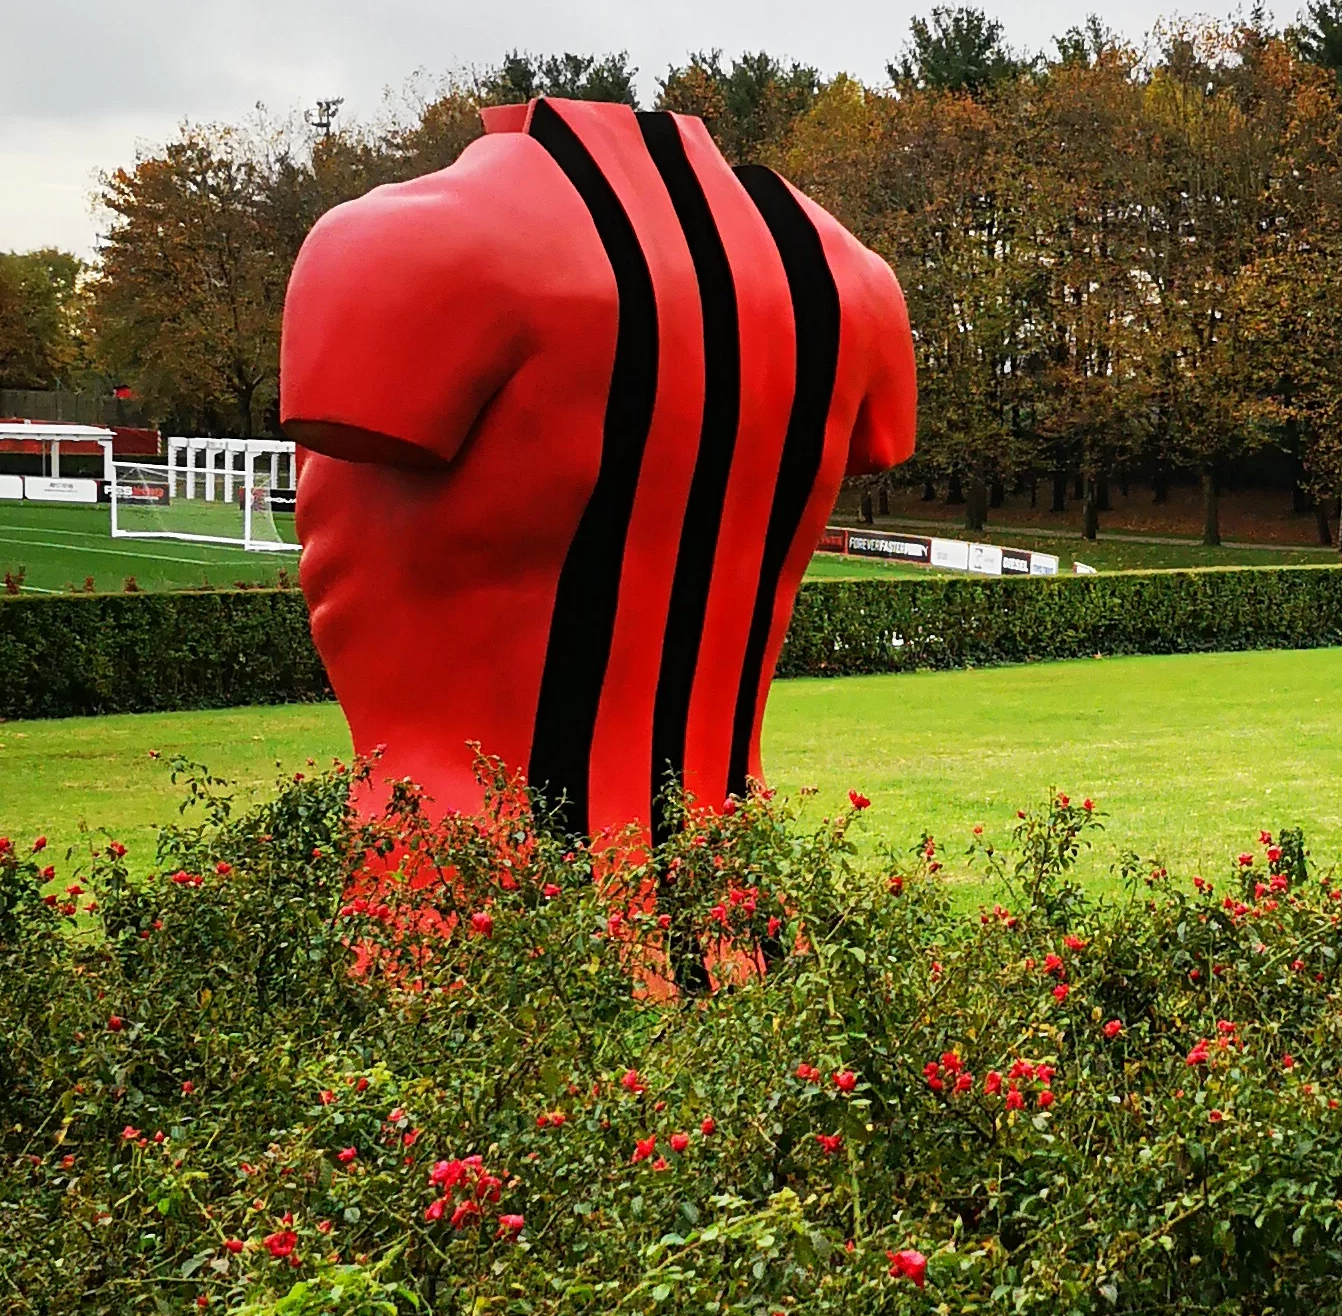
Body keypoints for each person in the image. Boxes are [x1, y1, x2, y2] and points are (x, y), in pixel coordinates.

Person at [278, 95, 916, 839]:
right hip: (735, 896)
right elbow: (880, 440)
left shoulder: (402, 242)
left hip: (456, 892)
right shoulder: (854, 282)